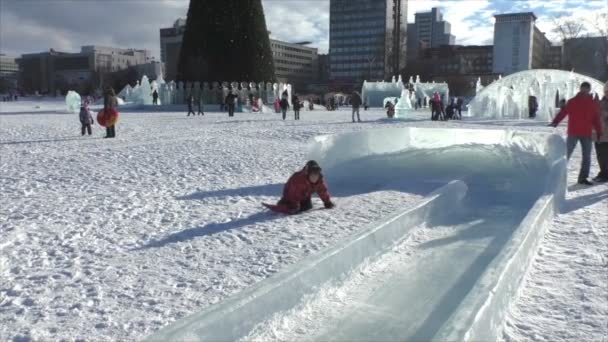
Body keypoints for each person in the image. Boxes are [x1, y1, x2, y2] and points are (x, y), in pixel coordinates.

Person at [550, 82, 603, 185]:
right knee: (566, 154)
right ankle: (558, 176)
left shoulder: (592, 103)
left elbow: (596, 119)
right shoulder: (572, 101)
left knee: (587, 156)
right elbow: (563, 112)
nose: (584, 90)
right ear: (580, 89)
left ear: (589, 90)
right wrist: (555, 121)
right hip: (573, 132)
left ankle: (582, 178)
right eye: (583, 88)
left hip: (586, 133)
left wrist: (599, 131)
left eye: (586, 88)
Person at [593, 82, 608, 182]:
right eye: (607, 91)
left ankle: (605, 174)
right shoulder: (600, 102)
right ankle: (603, 173)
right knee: (601, 155)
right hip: (600, 134)